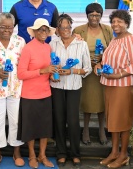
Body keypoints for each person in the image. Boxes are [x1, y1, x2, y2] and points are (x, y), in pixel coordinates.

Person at [95, 10, 133, 168]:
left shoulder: (131, 40)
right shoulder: (115, 40)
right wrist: (99, 65)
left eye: (119, 21)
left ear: (127, 23)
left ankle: (123, 155)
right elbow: (107, 59)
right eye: (113, 22)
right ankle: (114, 152)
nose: (116, 24)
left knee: (123, 120)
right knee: (113, 120)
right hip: (110, 85)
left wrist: (118, 75)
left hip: (123, 86)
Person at [49, 14, 92, 166]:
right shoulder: (53, 44)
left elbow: (88, 68)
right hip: (57, 86)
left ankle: (75, 153)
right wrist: (53, 72)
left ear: (71, 27)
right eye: (62, 27)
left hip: (74, 86)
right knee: (59, 120)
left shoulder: (81, 44)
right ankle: (61, 153)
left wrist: (72, 71)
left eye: (68, 27)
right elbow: (49, 65)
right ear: (57, 29)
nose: (65, 30)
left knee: (73, 121)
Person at [0, 13, 26, 168]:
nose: (6, 30)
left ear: (13, 27)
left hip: (16, 88)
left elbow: (26, 64)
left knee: (16, 120)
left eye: (9, 27)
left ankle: (17, 152)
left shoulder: (20, 42)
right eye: (3, 27)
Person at [17, 18, 57, 168]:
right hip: (29, 95)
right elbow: (21, 74)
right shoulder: (27, 48)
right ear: (34, 32)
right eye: (40, 29)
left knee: (45, 128)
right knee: (31, 128)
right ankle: (32, 156)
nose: (43, 32)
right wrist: (42, 71)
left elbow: (49, 69)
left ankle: (42, 155)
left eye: (45, 30)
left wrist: (52, 75)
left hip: (45, 93)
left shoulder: (48, 48)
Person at [72, 3, 113, 146]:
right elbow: (73, 50)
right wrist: (87, 63)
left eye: (97, 15)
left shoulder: (108, 30)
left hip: (102, 71)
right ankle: (86, 130)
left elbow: (111, 51)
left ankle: (102, 130)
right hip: (86, 71)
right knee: (87, 102)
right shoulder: (79, 30)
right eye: (91, 15)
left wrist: (101, 62)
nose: (94, 18)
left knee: (102, 102)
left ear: (101, 16)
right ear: (87, 15)